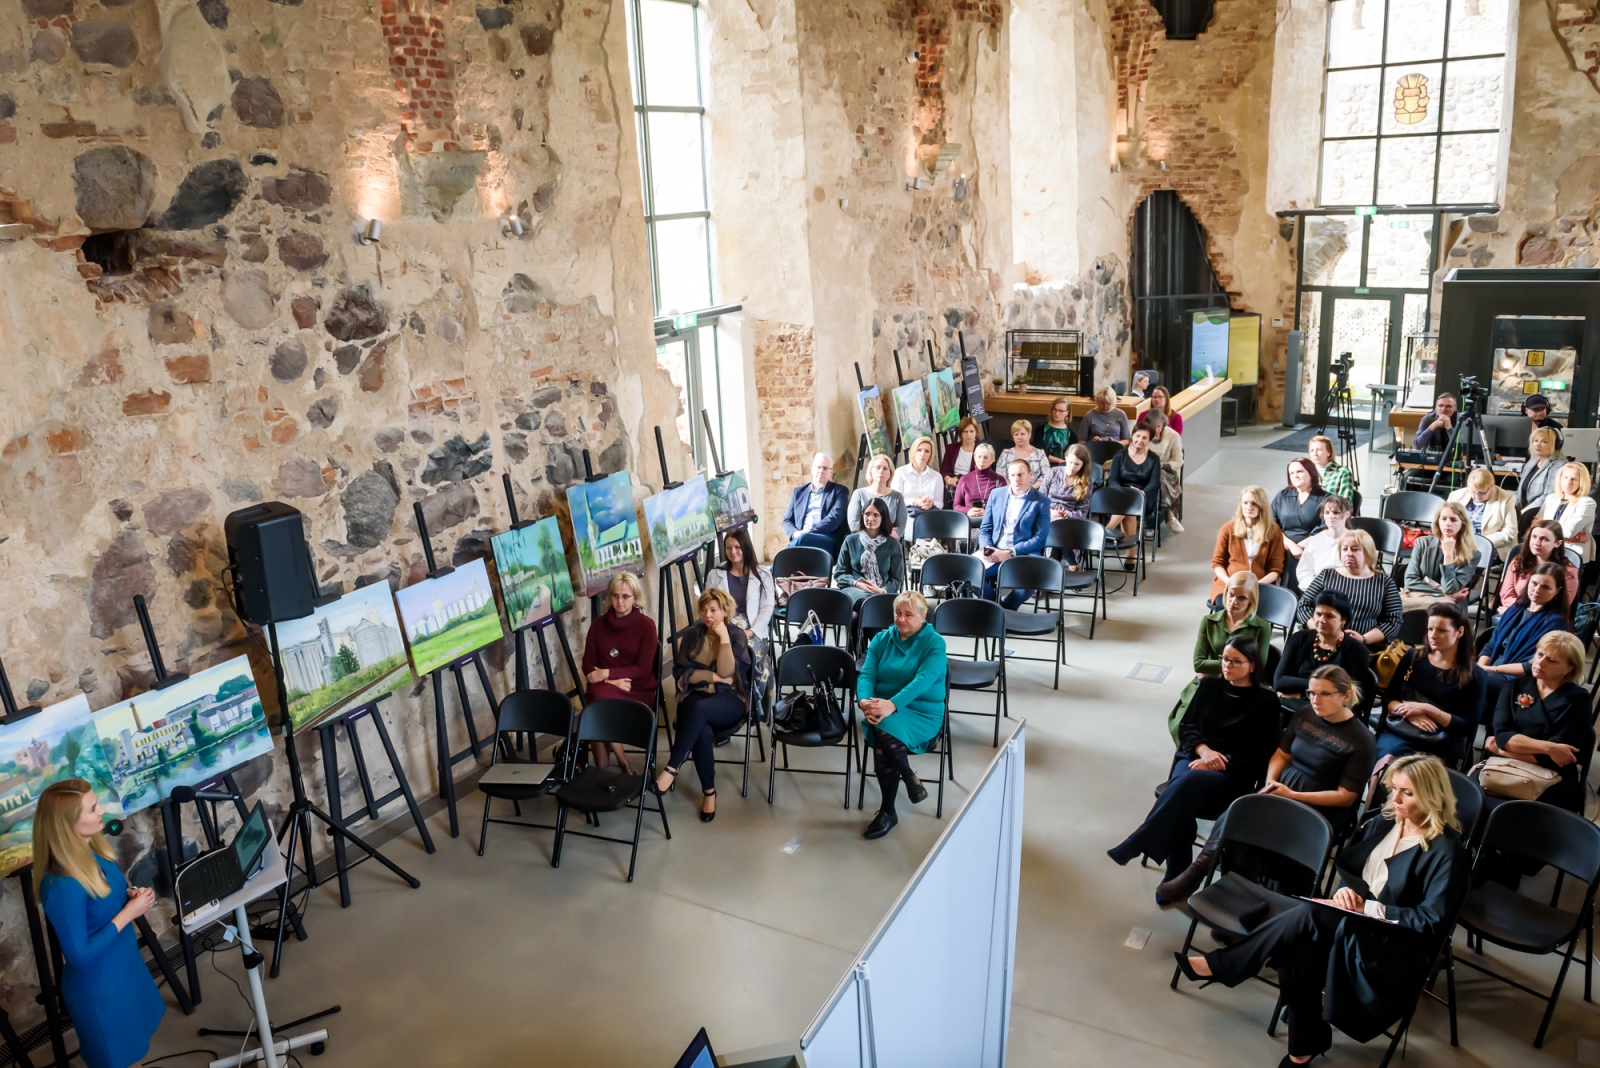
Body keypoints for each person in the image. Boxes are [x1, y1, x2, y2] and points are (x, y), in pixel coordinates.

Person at [1180, 755, 1470, 1066]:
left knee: (1313, 913)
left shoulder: (1447, 853)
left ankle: (1226, 964)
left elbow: (1430, 921)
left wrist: (1369, 907)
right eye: (1394, 789)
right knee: (1296, 954)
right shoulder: (1389, 820)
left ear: (1432, 796)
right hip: (1356, 924)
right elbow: (1357, 872)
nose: (1395, 799)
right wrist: (1348, 892)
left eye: (1407, 793)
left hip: (1392, 945)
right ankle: (1306, 1044)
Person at [1158, 665, 1376, 904]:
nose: (1315, 700)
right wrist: (1271, 779)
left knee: (1252, 824)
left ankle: (1209, 881)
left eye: (1324, 694)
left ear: (1345, 695)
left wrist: (1292, 795)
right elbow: (1281, 754)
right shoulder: (1304, 714)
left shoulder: (1362, 740)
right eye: (1312, 693)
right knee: (1239, 812)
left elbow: (1345, 796)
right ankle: (1220, 889)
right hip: (1282, 788)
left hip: (1318, 807)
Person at [1107, 637, 1280, 890]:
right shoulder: (1210, 685)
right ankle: (1175, 873)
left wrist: (1216, 762)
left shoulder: (1266, 701)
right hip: (1194, 757)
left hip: (1232, 772)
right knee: (1184, 788)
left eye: (1235, 661)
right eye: (1224, 659)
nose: (1226, 666)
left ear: (1252, 665)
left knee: (1184, 785)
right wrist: (1203, 751)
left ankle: (1152, 854)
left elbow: (1258, 753)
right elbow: (1187, 726)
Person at [34, 779, 166, 1068]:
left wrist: (129, 896)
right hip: (100, 988)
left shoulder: (92, 852)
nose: (101, 810)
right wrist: (128, 913)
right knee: (121, 1059)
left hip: (124, 969)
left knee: (134, 1055)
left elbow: (102, 896)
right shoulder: (61, 885)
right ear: (68, 823)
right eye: (93, 808)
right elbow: (78, 955)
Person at [858, 591, 948, 840]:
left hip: (922, 711)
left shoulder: (935, 643)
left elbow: (924, 680)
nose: (901, 619)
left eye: (908, 614)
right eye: (897, 613)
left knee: (881, 730)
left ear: (923, 615)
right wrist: (864, 701)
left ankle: (888, 811)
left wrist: (892, 705)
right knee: (881, 725)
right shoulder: (881, 639)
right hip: (883, 709)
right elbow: (867, 675)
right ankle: (909, 780)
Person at [656, 589, 752, 822]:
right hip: (694, 694)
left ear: (725, 611)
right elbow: (681, 671)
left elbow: (729, 673)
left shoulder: (736, 635)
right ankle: (709, 792)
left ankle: (671, 768)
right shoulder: (692, 634)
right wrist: (712, 678)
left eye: (714, 610)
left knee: (699, 712)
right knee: (702, 729)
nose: (708, 615)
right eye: (704, 610)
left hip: (729, 699)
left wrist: (724, 640)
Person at [1482, 630, 1592, 815]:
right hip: (1504, 769)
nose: (1540, 663)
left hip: (1552, 779)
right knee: (1472, 805)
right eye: (1540, 654)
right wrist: (1549, 748)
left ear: (1569, 668)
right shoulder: (1513, 687)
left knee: (1522, 817)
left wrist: (1503, 750)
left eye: (1552, 660)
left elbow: (1561, 760)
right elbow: (1502, 736)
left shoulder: (1579, 700)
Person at [1376, 602, 1483, 762]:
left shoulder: (1475, 675)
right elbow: (1389, 699)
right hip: (1402, 727)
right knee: (1387, 758)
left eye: (1442, 630)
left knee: (1419, 772)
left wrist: (1427, 709)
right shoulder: (1413, 656)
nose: (1433, 635)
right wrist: (1408, 713)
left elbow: (1468, 726)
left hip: (1440, 739)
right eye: (1430, 629)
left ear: (1459, 632)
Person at [581, 572, 659, 772]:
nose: (620, 601)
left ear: (635, 598)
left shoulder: (646, 626)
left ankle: (604, 771)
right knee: (597, 701)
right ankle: (620, 759)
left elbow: (642, 670)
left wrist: (606, 674)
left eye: (626, 596)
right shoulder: (598, 625)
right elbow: (588, 665)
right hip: (607, 689)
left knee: (597, 705)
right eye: (615, 596)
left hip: (637, 688)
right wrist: (612, 681)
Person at [1478, 562, 1571, 716]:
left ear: (1557, 591)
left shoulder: (1556, 623)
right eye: (1534, 583)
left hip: (1520, 681)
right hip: (1491, 671)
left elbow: (1531, 666)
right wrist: (1480, 667)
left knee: (1470, 685)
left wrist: (1489, 670)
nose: (1537, 590)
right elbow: (1491, 644)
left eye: (1546, 587)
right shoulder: (1516, 608)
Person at [1294, 531, 1402, 651]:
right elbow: (1303, 605)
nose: (1349, 554)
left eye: (1355, 549)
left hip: (1360, 647)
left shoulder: (1385, 582)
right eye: (1345, 549)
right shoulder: (1327, 575)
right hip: (1320, 641)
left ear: (1368, 552)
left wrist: (1364, 638)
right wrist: (1318, 629)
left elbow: (1393, 621)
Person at [977, 459, 1050, 609]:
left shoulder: (1041, 501)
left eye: (1020, 474)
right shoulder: (996, 494)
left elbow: (1039, 540)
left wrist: (1009, 552)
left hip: (1024, 553)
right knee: (968, 574)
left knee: (1030, 581)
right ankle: (996, 608)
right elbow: (985, 528)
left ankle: (1008, 609)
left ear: (1030, 475)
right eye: (1013, 475)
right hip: (994, 549)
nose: (1016, 479)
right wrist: (987, 548)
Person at [1275, 590, 1372, 702]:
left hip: (1332, 712)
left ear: (1343, 620)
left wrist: (1301, 693)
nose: (1321, 620)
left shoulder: (1357, 650)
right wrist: (1327, 688)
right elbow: (1279, 681)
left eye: (1329, 616)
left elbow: (1353, 696)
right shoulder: (1299, 638)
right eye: (1318, 614)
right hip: (1293, 708)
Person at [1210, 485, 1285, 602]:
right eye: (1245, 503)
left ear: (1262, 506)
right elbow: (1217, 562)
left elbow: (1276, 569)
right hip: (1228, 583)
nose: (1249, 507)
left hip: (1260, 585)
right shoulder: (1228, 528)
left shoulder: (1274, 532)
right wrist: (1229, 581)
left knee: (1255, 611)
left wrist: (1255, 585)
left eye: (1254, 503)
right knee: (1225, 607)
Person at [1400, 501, 1477, 611]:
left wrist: (1448, 555)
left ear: (1462, 524)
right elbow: (1410, 581)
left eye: (1454, 519)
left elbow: (1450, 589)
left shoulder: (1472, 554)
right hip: (1421, 598)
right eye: (1443, 519)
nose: (1448, 523)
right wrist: (1445, 594)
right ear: (1438, 521)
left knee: (1442, 610)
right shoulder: (1423, 543)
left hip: (1449, 604)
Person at [704, 527, 775, 644]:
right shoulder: (714, 574)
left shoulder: (763, 574)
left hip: (753, 630)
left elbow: (766, 609)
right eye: (728, 548)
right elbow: (709, 606)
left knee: (743, 657)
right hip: (723, 628)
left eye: (737, 547)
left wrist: (750, 632)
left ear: (745, 548)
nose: (732, 551)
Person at [1497, 519, 1578, 616]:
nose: (1536, 542)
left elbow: (1560, 605)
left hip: (1545, 619)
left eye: (1544, 539)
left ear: (1558, 543)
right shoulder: (1518, 562)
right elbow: (1506, 595)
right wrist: (1521, 610)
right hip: (1514, 611)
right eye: (1534, 537)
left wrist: (1521, 611)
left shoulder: (1568, 572)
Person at [1107, 424, 1162, 565]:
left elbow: (1155, 482)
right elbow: (1112, 479)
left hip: (1144, 496)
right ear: (1132, 436)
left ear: (1149, 440)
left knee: (1131, 502)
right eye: (1138, 436)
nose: (1140, 440)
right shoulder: (1120, 455)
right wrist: (1121, 491)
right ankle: (1131, 553)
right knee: (1129, 506)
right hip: (1121, 494)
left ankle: (1107, 530)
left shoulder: (1154, 458)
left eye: (1144, 437)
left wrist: (1142, 492)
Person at [832, 499, 905, 606]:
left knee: (874, 604)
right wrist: (856, 583)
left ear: (883, 518)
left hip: (882, 591)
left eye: (876, 515)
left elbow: (896, 580)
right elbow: (840, 574)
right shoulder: (850, 540)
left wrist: (882, 591)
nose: (870, 518)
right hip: (854, 589)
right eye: (867, 514)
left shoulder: (893, 544)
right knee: (866, 602)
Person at [1273, 459, 1329, 584]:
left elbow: (1325, 528)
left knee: (1297, 559)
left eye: (1299, 471)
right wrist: (1291, 545)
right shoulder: (1282, 496)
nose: (1295, 476)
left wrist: (1301, 546)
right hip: (1283, 543)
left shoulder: (1325, 498)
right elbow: (1272, 524)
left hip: (1312, 545)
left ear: (1311, 473)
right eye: (1291, 473)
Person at [781, 452, 848, 555]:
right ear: (812, 469)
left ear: (831, 472)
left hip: (826, 539)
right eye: (818, 467)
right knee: (802, 541)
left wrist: (809, 531)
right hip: (800, 538)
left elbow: (835, 517)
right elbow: (786, 520)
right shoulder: (798, 492)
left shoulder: (839, 491)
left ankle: (772, 570)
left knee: (804, 539)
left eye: (825, 468)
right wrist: (795, 533)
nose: (821, 471)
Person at [1447, 467, 1517, 555]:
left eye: (1481, 493)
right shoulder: (1456, 495)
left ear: (1491, 487)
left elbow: (1510, 532)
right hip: (1459, 544)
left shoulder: (1506, 499)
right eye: (1472, 492)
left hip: (1489, 547)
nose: (1476, 496)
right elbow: (1443, 521)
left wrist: (1480, 542)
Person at [1536, 460, 1594, 564]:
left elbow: (1569, 531)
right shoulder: (1551, 498)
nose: (1568, 482)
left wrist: (1545, 531)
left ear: (1582, 482)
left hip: (1570, 552)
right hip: (1546, 549)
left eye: (1574, 479)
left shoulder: (1587, 503)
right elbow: (1537, 525)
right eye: (1565, 477)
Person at [1294, 495, 1354, 589]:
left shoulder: (1357, 540)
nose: (1331, 516)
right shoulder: (1314, 541)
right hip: (1318, 591)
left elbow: (1364, 570)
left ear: (1347, 514)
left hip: (1348, 589)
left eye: (1336, 512)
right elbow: (1304, 572)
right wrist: (1315, 588)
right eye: (1327, 512)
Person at [1141, 410, 1185, 534]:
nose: (1156, 430)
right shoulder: (1141, 435)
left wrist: (1159, 466)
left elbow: (1178, 462)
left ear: (1163, 425)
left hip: (1168, 474)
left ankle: (1151, 523)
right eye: (1152, 426)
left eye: (1158, 427)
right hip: (1144, 472)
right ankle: (1168, 515)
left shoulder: (1173, 436)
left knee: (1158, 476)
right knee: (1154, 477)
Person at [849, 453, 907, 539]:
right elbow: (853, 525)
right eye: (878, 467)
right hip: (863, 539)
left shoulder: (897, 497)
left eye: (885, 468)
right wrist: (882, 531)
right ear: (871, 472)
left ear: (890, 473)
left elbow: (901, 529)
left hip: (888, 540)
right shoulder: (859, 494)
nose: (881, 471)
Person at [892, 436, 945, 524]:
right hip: (907, 513)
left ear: (930, 455)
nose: (922, 454)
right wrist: (915, 502)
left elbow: (940, 504)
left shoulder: (937, 476)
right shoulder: (901, 472)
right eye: (919, 450)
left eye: (927, 451)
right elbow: (895, 500)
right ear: (913, 451)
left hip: (930, 513)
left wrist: (931, 502)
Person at [1514, 426, 1563, 518]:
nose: (1538, 444)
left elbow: (1548, 496)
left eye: (1544, 442)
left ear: (1556, 445)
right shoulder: (1533, 460)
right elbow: (1519, 492)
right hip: (1525, 509)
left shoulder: (1559, 465)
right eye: (1536, 441)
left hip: (1540, 510)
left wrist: (1524, 511)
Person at [1040, 442, 1095, 522]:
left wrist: (1067, 514)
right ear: (1066, 458)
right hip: (1047, 513)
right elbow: (1040, 499)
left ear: (1083, 464)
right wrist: (1050, 511)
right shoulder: (1052, 472)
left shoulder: (1086, 482)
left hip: (1069, 519)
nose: (1072, 467)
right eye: (1070, 462)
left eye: (1077, 464)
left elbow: (1082, 512)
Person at [953, 443, 1004, 516]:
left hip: (991, 519)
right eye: (979, 456)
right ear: (974, 458)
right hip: (969, 521)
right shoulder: (964, 479)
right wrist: (968, 511)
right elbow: (956, 505)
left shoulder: (1000, 480)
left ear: (992, 460)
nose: (982, 460)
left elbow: (1003, 505)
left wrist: (988, 512)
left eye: (986, 457)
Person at [1307, 434, 1355, 504]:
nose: (1315, 454)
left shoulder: (1343, 473)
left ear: (1329, 452)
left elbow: (1345, 503)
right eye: (1312, 450)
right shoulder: (1306, 471)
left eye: (1319, 450)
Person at [940, 416, 983, 492]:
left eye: (971, 431)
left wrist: (958, 478)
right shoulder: (951, 448)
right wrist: (947, 478)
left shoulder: (981, 450)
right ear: (961, 434)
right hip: (952, 485)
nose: (968, 435)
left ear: (976, 432)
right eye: (965, 432)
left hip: (972, 486)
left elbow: (979, 474)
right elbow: (944, 469)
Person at [1039, 396, 1077, 465]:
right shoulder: (1040, 429)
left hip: (1063, 467)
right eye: (1054, 409)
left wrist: (1062, 463)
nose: (1056, 413)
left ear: (1067, 412)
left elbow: (1072, 456)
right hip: (1042, 464)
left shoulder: (1072, 435)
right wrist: (1059, 461)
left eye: (1061, 411)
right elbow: (1038, 451)